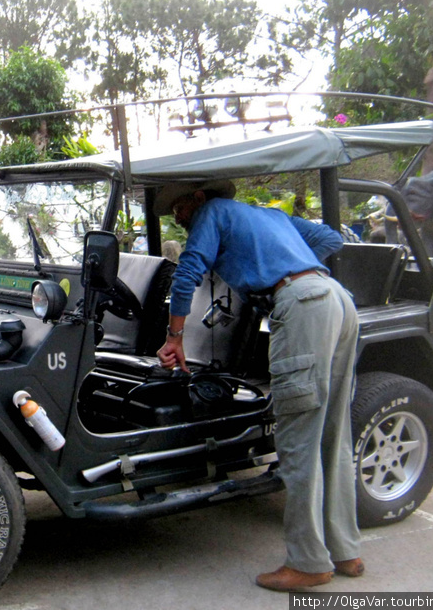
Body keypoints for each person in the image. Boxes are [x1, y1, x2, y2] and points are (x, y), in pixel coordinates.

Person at [156, 181, 365, 592]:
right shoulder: (267, 214)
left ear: (199, 198)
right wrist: (296, 268)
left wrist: (175, 337)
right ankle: (346, 551)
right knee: (333, 435)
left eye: (179, 208)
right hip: (337, 299)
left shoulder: (212, 214)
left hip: (302, 306)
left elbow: (187, 275)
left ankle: (308, 562)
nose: (178, 219)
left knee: (297, 438)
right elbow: (330, 239)